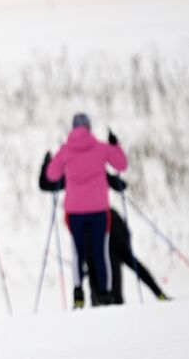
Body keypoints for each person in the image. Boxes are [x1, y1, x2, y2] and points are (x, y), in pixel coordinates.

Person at [38, 158, 169, 305]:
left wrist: (47, 164)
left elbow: (46, 184)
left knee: (99, 267)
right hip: (111, 223)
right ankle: (158, 294)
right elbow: (120, 185)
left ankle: (101, 303)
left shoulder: (72, 176)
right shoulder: (97, 171)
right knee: (125, 262)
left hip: (96, 229)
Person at [44, 114, 128, 307]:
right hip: (99, 208)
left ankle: (78, 292)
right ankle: (105, 293)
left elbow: (52, 174)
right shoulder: (100, 147)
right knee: (101, 252)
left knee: (77, 253)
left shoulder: (66, 150)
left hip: (74, 211)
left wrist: (51, 160)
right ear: (89, 127)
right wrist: (115, 145)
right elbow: (121, 164)